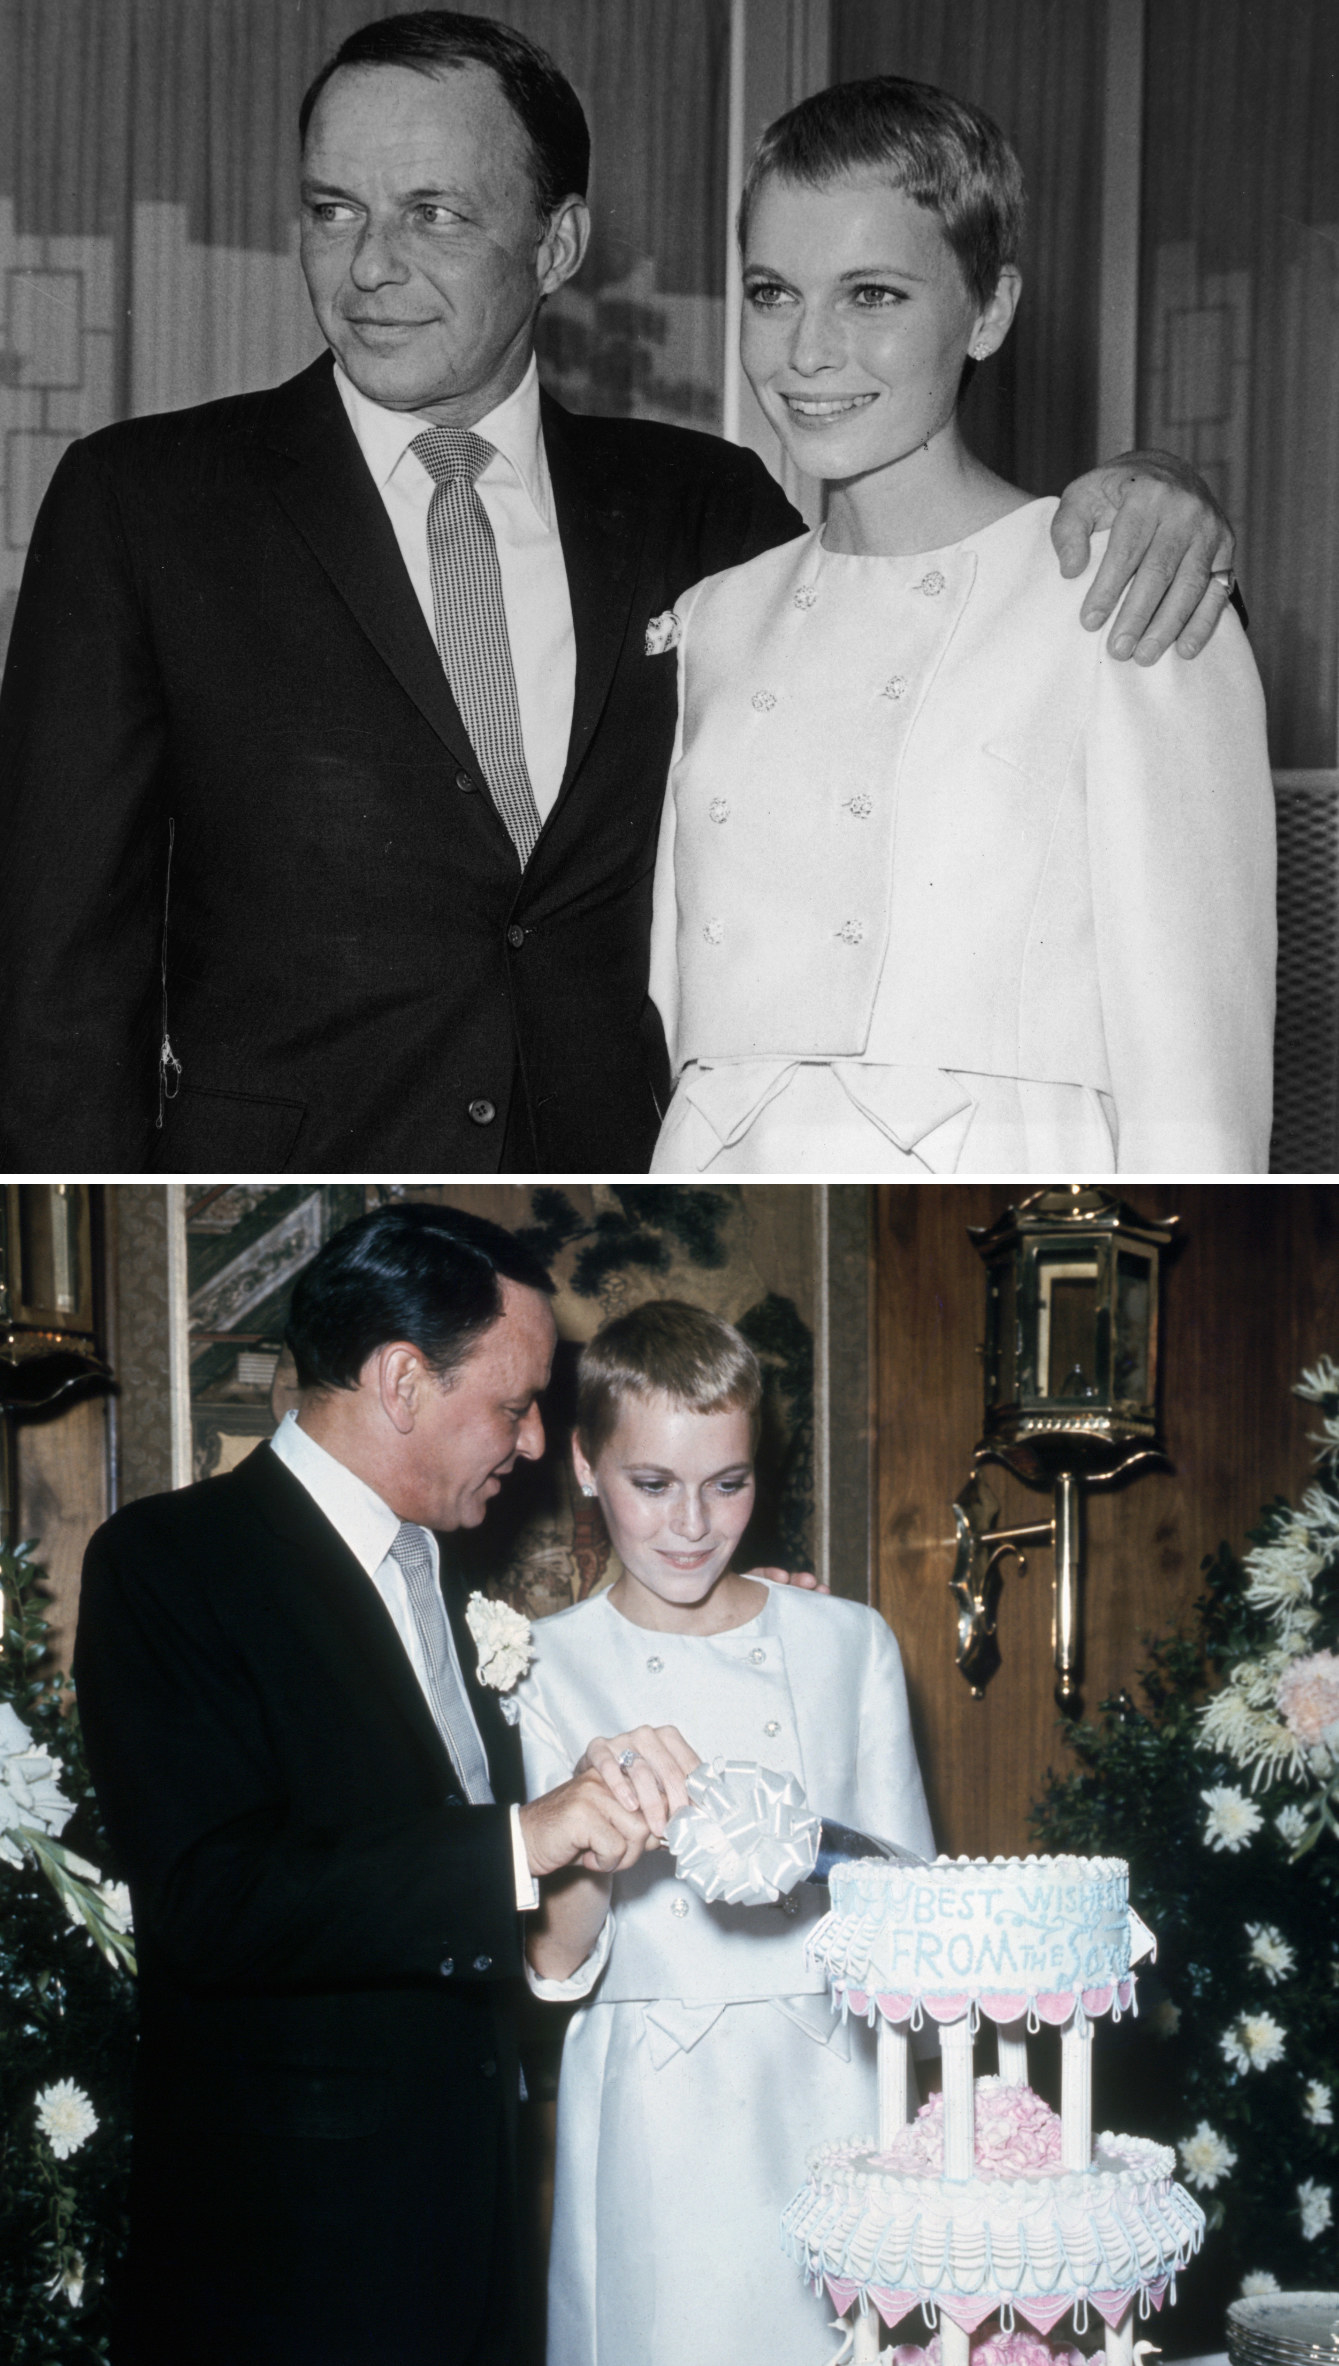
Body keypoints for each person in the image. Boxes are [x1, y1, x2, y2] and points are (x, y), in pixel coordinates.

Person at [0, 12, 1239, 1174]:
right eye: (333, 209)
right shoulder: (146, 501)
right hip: (284, 1199)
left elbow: (911, 591)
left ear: (558, 245)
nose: (370, 265)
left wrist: (1153, 480)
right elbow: (57, 969)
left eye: (433, 213)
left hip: (626, 1192)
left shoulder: (699, 512)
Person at [73, 1201, 668, 2366]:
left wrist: (576, 1851)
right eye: (512, 1403)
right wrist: (512, 1842)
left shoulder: (444, 1576)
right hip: (289, 2271)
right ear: (401, 1381)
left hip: (471, 2239)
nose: (537, 1441)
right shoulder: (169, 1562)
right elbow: (210, 1899)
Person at [648, 76, 1276, 1176]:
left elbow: (1199, 1073)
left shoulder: (1119, 584)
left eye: (873, 295)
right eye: (771, 291)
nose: (806, 352)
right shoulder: (713, 618)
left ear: (988, 310)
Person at [512, 1299, 934, 2366]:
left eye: (727, 1482)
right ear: (583, 1463)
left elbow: (914, 1906)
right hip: (652, 2097)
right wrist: (591, 1836)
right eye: (652, 1483)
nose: (692, 1523)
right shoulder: (540, 1666)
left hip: (829, 2079)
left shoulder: (848, 1639)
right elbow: (556, 1963)